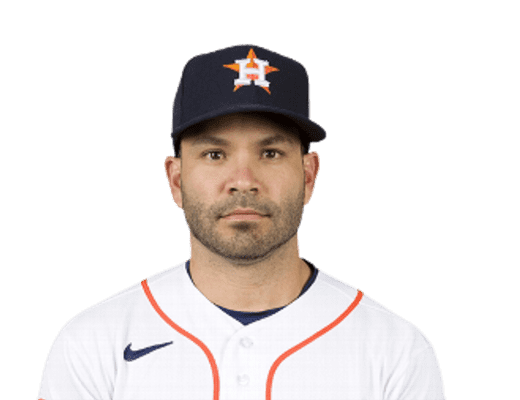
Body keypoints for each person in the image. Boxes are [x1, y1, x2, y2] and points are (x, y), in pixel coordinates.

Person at [37, 44, 446, 400]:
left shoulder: (395, 351)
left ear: (308, 176)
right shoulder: (93, 344)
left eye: (270, 153)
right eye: (215, 155)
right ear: (176, 180)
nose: (243, 181)